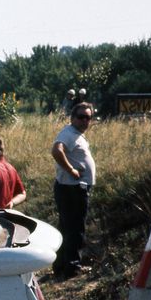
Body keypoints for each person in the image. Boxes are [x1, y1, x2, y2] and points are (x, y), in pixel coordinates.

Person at [51, 101, 96, 278]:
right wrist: (71, 170)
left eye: (88, 117)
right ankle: (72, 267)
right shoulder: (68, 133)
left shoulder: (76, 134)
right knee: (75, 229)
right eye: (81, 117)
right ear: (72, 118)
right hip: (72, 189)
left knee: (67, 227)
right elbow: (56, 150)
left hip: (73, 188)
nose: (85, 121)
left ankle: (61, 265)